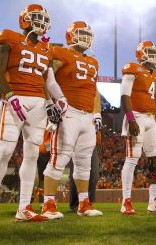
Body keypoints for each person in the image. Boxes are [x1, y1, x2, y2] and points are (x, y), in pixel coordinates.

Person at [0, 4, 63, 224]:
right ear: (25, 19)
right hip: (15, 100)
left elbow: (47, 81)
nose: (41, 23)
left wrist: (53, 102)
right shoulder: (10, 38)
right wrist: (10, 95)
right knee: (4, 151)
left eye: (43, 19)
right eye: (36, 18)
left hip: (39, 104)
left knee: (32, 155)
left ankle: (24, 207)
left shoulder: (46, 49)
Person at [41, 21, 103, 219]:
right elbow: (45, 78)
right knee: (59, 159)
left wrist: (97, 113)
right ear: (70, 35)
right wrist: (49, 104)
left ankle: (84, 203)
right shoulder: (61, 53)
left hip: (87, 116)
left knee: (84, 163)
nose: (84, 37)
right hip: (68, 112)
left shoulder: (94, 62)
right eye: (80, 33)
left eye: (87, 34)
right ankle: (48, 204)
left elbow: (94, 92)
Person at [120, 40, 156, 215]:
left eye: (154, 52)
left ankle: (153, 202)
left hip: (151, 119)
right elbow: (125, 95)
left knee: (155, 160)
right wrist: (131, 119)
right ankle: (126, 201)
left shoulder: (155, 74)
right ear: (141, 53)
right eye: (150, 51)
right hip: (137, 116)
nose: (154, 55)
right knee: (132, 158)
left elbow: (152, 101)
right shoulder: (132, 68)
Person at [68, 131, 101, 212]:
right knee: (76, 171)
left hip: (91, 139)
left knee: (94, 174)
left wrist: (98, 142)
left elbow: (97, 125)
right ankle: (75, 203)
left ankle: (88, 202)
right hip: (76, 138)